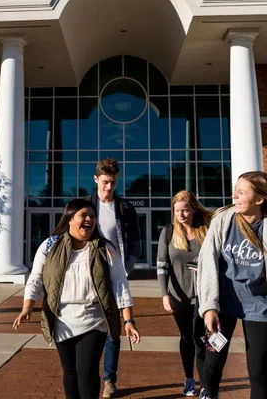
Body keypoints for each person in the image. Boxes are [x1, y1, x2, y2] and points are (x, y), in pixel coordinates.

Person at [196, 171, 267, 399]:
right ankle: (209, 393)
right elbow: (207, 263)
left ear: (259, 200)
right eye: (235, 190)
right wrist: (209, 307)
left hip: (259, 307)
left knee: (258, 373)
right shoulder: (222, 220)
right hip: (223, 305)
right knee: (212, 365)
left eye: (241, 192)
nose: (234, 196)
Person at [13, 198, 141, 399]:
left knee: (87, 369)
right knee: (70, 371)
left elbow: (120, 284)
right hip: (62, 320)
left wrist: (129, 320)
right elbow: (36, 278)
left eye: (92, 216)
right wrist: (27, 307)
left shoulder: (105, 248)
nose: (89, 219)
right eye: (84, 215)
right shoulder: (49, 246)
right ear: (70, 219)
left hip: (94, 319)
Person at [86, 158, 142, 398]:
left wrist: (124, 269)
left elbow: (136, 244)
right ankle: (87, 374)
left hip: (114, 278)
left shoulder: (125, 208)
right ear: (96, 179)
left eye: (114, 182)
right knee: (87, 327)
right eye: (106, 181)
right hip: (87, 277)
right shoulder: (85, 206)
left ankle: (109, 379)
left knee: (113, 330)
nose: (109, 187)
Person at [157, 190, 212, 397]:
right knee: (186, 338)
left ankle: (205, 385)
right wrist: (164, 294)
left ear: (193, 209)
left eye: (185, 210)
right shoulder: (168, 232)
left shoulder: (205, 230)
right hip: (178, 296)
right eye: (177, 210)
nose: (181, 214)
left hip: (202, 295)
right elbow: (162, 265)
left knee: (200, 339)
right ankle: (189, 379)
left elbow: (216, 257)